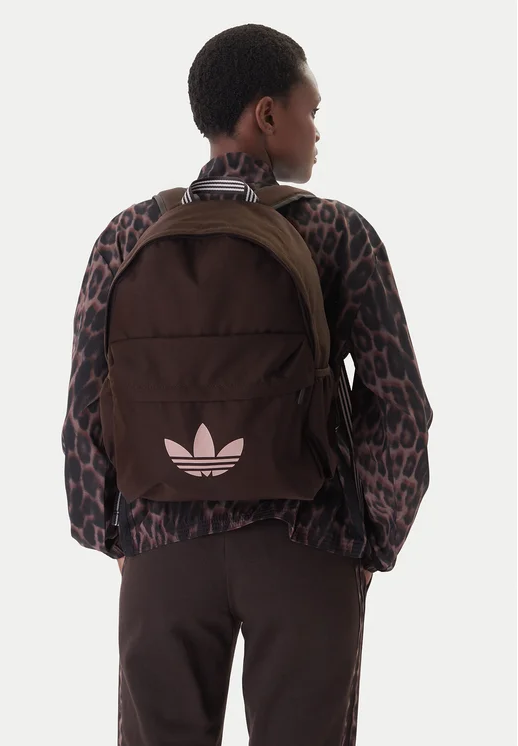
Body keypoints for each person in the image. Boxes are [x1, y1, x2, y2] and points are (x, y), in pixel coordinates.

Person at [61, 23, 432, 746]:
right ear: (266, 114)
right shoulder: (337, 233)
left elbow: (85, 404)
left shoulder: (127, 235)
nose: (317, 130)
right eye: (310, 110)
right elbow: (399, 406)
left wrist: (112, 533)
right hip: (308, 538)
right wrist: (371, 541)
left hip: (162, 538)